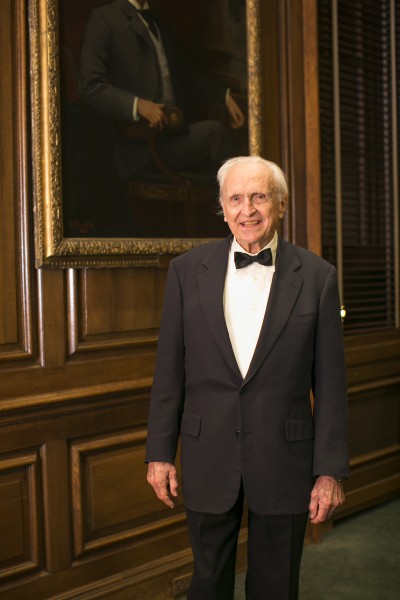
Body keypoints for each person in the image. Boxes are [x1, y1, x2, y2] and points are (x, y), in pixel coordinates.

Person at [146, 156, 349, 600]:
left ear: (280, 203)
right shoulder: (185, 272)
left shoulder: (317, 277)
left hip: (285, 460)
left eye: (259, 197)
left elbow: (331, 385)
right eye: (235, 198)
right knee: (207, 584)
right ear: (221, 206)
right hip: (207, 454)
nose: (248, 210)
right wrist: (159, 453)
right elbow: (168, 373)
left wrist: (329, 471)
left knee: (276, 587)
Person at [79, 0, 245, 180]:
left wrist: (224, 96)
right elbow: (91, 86)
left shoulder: (158, 22)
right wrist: (138, 105)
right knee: (216, 133)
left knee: (224, 142)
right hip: (141, 146)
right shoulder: (105, 19)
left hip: (174, 133)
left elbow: (186, 77)